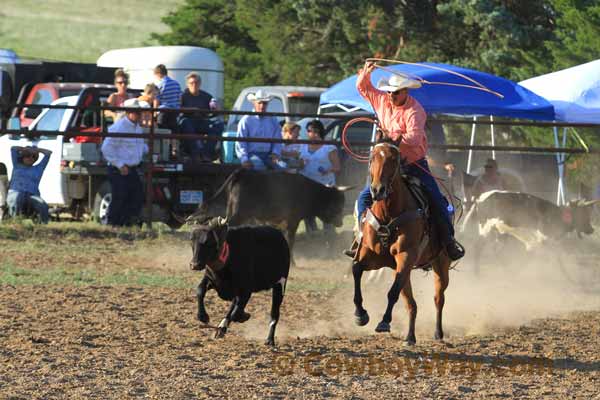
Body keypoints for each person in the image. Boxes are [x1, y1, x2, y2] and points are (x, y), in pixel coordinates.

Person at [346, 61, 464, 261]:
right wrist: (367, 72)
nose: (392, 95)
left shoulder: (415, 110)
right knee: (364, 198)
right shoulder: (382, 101)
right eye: (390, 92)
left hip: (412, 163)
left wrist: (392, 140)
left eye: (397, 92)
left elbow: (414, 138)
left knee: (436, 201)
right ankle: (361, 238)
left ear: (406, 92)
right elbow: (363, 88)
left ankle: (448, 242)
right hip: (386, 164)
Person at [100, 98, 149, 227]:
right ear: (129, 113)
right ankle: (112, 224)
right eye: (136, 112)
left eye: (139, 112)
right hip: (119, 169)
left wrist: (147, 149)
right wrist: (120, 164)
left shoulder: (137, 128)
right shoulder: (119, 127)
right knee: (120, 196)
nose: (139, 115)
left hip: (130, 168)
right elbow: (106, 148)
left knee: (136, 196)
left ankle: (127, 224)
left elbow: (139, 146)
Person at [300, 119, 341, 232]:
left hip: (324, 187)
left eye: (312, 131)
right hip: (307, 187)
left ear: (318, 132)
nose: (310, 133)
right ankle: (313, 240)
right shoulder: (303, 147)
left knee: (327, 217)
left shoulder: (329, 148)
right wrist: (300, 165)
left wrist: (327, 170)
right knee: (308, 217)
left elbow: (337, 168)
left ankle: (330, 240)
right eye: (308, 131)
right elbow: (297, 162)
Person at [235, 90, 285, 170]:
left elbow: (277, 139)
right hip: (251, 154)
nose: (262, 106)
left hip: (269, 154)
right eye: (259, 103)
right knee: (259, 167)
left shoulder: (273, 119)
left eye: (264, 103)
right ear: (254, 103)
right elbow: (241, 142)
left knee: (283, 167)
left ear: (267, 104)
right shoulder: (246, 120)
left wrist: (275, 153)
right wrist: (244, 159)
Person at [178, 73, 222, 161]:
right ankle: (196, 153)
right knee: (185, 123)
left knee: (218, 124)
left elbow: (215, 109)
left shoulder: (206, 96)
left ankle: (206, 153)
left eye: (196, 82)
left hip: (202, 121)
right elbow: (177, 109)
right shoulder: (182, 96)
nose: (194, 85)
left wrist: (216, 108)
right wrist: (191, 109)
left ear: (200, 83)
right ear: (187, 84)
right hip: (188, 121)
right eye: (191, 83)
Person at [6, 146, 52, 223]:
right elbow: (13, 148)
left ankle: (43, 226)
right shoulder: (16, 165)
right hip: (15, 192)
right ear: (22, 157)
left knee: (42, 205)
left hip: (32, 194)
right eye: (27, 156)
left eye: (33, 156)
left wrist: (36, 150)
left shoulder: (39, 168)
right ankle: (15, 222)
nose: (30, 158)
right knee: (17, 198)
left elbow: (48, 153)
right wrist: (27, 150)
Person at [154, 64, 182, 133]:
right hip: (174, 112)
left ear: (158, 74)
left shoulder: (160, 85)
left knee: (163, 132)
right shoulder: (176, 83)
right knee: (173, 132)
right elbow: (180, 99)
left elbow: (156, 100)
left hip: (163, 112)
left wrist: (154, 112)